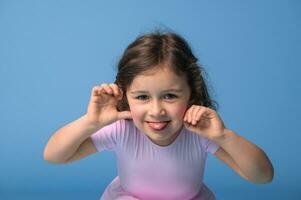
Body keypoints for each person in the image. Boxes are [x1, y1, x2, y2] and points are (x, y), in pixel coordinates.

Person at [44, 31, 274, 200]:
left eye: (170, 96)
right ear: (125, 95)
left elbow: (262, 175)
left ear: (191, 94)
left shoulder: (198, 132)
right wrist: (90, 122)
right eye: (142, 97)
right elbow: (55, 156)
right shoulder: (123, 129)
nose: (156, 111)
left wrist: (223, 135)